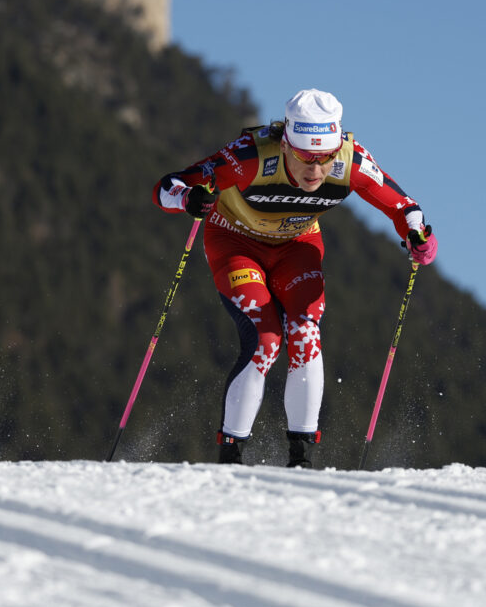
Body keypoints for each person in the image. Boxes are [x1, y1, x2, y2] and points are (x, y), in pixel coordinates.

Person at [153, 89, 437, 467]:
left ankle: (301, 461)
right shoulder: (249, 156)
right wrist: (188, 199)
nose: (316, 170)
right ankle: (230, 459)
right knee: (266, 340)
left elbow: (405, 208)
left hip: (296, 245)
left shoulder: (350, 161)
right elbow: (166, 187)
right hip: (236, 243)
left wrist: (419, 239)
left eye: (326, 158)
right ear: (285, 145)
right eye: (306, 157)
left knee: (305, 332)